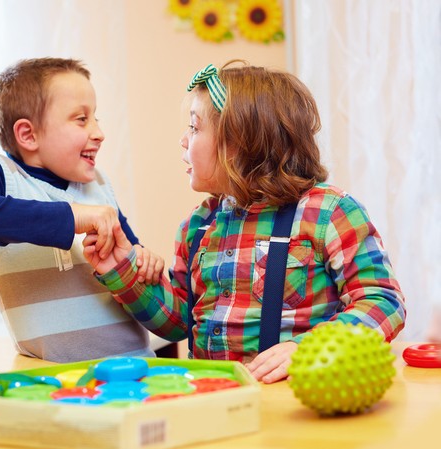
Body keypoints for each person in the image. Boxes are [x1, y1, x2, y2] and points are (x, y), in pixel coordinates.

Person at [83, 60, 406, 383]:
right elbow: (179, 321)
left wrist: (312, 347)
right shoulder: (197, 226)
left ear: (239, 143)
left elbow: (382, 301)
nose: (183, 140)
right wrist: (120, 270)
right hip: (216, 397)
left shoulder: (328, 212)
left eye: (194, 128)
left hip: (297, 397)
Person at [0, 57, 163, 362]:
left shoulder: (98, 185)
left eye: (96, 118)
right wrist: (71, 216)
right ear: (28, 135)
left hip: (138, 369)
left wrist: (145, 263)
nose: (98, 132)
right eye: (81, 119)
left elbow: (133, 268)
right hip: (53, 385)